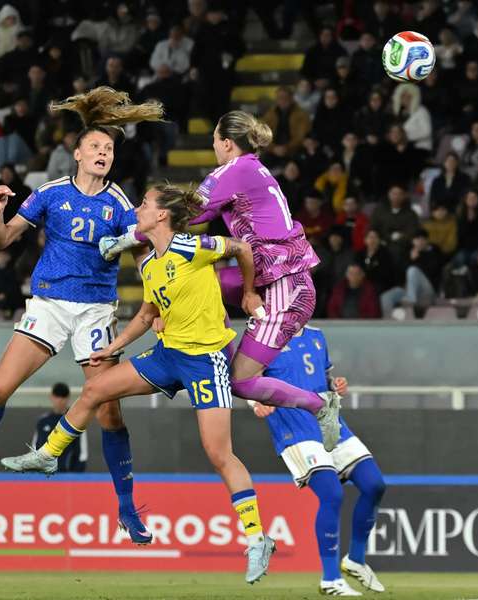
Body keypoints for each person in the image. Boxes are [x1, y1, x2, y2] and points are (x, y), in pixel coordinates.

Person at [1, 184, 277, 583]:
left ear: (162, 215)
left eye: (144, 204)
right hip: (167, 355)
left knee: (219, 453)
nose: (137, 209)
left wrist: (249, 293)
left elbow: (242, 248)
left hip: (205, 361)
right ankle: (49, 454)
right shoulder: (149, 264)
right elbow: (147, 315)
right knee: (96, 389)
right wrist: (112, 347)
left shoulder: (193, 248)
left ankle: (257, 539)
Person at [0, 88, 163, 547]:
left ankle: (127, 508)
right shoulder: (50, 194)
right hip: (48, 305)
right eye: (96, 147)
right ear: (78, 154)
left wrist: (157, 302)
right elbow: (1, 241)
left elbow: (144, 253)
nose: (104, 153)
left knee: (109, 411)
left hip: (95, 311)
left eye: (109, 149)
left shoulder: (120, 204)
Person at [100, 110, 341, 449]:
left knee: (240, 382)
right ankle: (214, 346)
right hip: (272, 273)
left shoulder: (232, 171)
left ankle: (320, 405)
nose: (213, 146)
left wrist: (124, 238)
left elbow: (178, 213)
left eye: (214, 140)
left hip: (285, 288)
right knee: (200, 283)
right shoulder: (251, 170)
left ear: (227, 143)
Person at [250, 326, 386, 596]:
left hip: (330, 421)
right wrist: (255, 402)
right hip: (294, 426)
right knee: (332, 494)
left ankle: (355, 560)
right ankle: (330, 579)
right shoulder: (264, 335)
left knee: (374, 484)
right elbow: (245, 379)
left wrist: (335, 385)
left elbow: (324, 378)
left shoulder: (316, 335)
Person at [32, 383, 87, 473]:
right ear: (51, 397)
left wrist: (75, 475)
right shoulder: (42, 421)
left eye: (63, 396)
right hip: (44, 475)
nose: (60, 400)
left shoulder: (76, 421)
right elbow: (35, 448)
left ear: (68, 398)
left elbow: (82, 454)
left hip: (66, 475)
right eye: (57, 396)